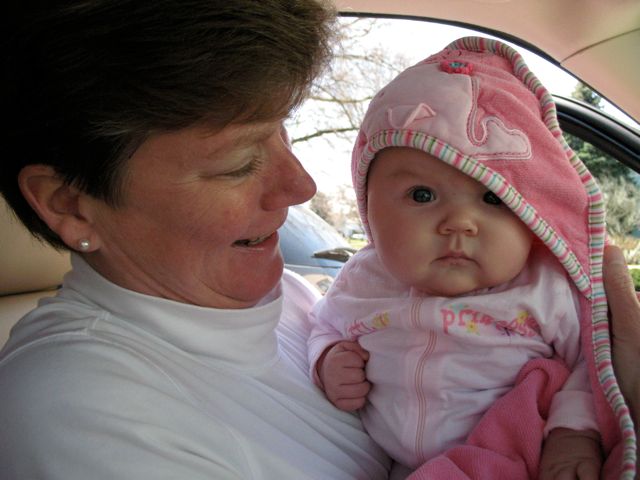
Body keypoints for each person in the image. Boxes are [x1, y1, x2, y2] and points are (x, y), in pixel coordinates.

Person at [0, 1, 391, 479]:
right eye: (238, 164)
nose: (301, 186)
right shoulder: (79, 415)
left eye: (283, 133)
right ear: (70, 206)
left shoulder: (287, 295)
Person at [308, 37, 635, 479]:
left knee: (545, 382)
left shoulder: (546, 287)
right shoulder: (363, 278)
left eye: (494, 198)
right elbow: (325, 322)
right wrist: (327, 358)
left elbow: (588, 367)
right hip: (390, 457)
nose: (459, 224)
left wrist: (572, 433)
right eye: (421, 195)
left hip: (511, 451)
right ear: (370, 207)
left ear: (533, 213)